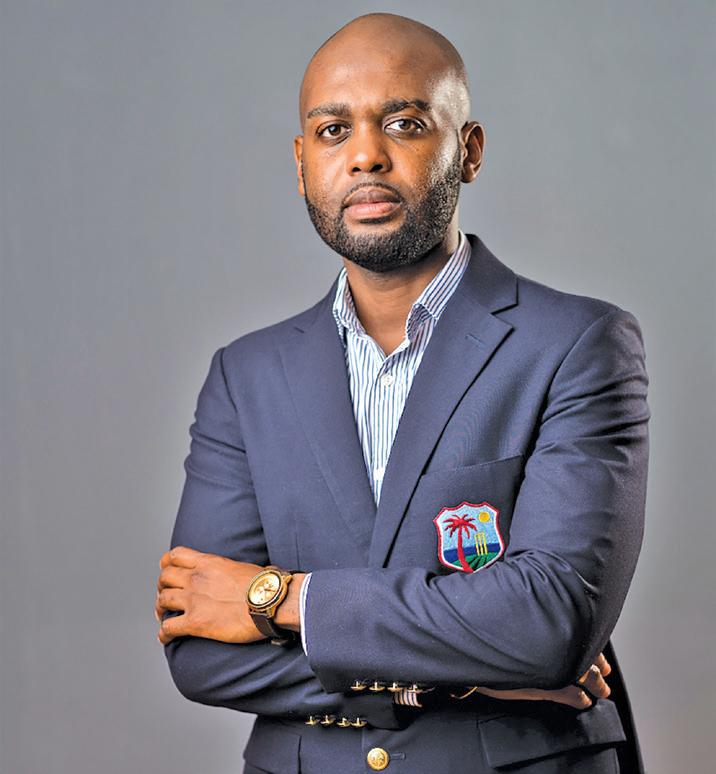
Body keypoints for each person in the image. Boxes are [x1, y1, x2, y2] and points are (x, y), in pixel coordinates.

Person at [155, 12, 649, 774]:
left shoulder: (578, 346)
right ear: (301, 165)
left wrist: (277, 600)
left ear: (469, 150)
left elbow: (550, 623)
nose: (365, 156)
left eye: (405, 124)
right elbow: (198, 650)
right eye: (333, 131)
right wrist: (465, 682)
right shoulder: (244, 377)